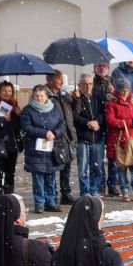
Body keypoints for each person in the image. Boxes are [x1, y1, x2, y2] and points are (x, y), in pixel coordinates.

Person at [20, 84, 66, 214]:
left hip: (52, 148)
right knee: (38, 178)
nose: (39, 98)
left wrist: (55, 133)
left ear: (46, 96)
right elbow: (26, 127)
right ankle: (39, 203)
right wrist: (44, 133)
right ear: (33, 96)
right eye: (36, 96)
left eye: (41, 95)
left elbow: (62, 124)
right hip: (35, 150)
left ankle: (50, 202)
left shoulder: (54, 109)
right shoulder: (27, 111)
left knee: (51, 177)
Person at [105, 76, 133, 202]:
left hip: (132, 140)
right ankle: (125, 192)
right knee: (121, 169)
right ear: (118, 90)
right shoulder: (112, 103)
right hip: (119, 141)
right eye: (123, 90)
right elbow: (110, 120)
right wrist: (127, 123)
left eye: (127, 90)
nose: (125, 93)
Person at [72, 74, 106, 197]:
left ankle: (94, 189)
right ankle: (85, 192)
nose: (88, 86)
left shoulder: (98, 97)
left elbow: (103, 113)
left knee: (97, 168)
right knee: (83, 169)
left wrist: (97, 121)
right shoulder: (76, 98)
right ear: (80, 85)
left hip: (97, 138)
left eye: (90, 83)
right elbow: (74, 117)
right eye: (85, 83)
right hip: (83, 138)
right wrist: (87, 123)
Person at [46, 70, 77, 205]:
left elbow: (75, 112)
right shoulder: (44, 95)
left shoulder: (63, 95)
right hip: (55, 136)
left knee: (67, 166)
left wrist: (76, 99)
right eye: (59, 79)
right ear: (50, 80)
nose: (62, 82)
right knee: (54, 166)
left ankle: (65, 192)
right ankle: (53, 194)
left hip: (68, 135)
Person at [94, 61, 120, 197]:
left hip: (112, 126)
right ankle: (101, 185)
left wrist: (113, 93)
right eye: (99, 65)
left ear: (108, 68)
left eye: (104, 65)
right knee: (98, 158)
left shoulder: (114, 82)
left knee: (113, 157)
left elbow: (121, 102)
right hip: (98, 125)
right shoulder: (91, 83)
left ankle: (113, 185)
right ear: (94, 68)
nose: (101, 67)